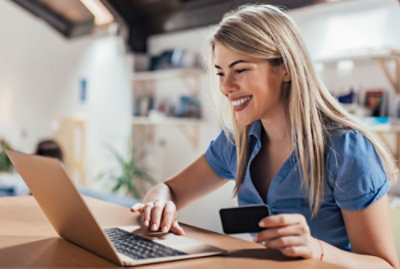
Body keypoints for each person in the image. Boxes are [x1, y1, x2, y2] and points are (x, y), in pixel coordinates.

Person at [131, 4, 399, 268]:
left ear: (285, 69)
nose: (226, 87)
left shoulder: (347, 149)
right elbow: (170, 189)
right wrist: (159, 204)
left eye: (240, 70)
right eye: (221, 73)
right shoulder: (237, 142)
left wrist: (316, 249)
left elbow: (385, 265)